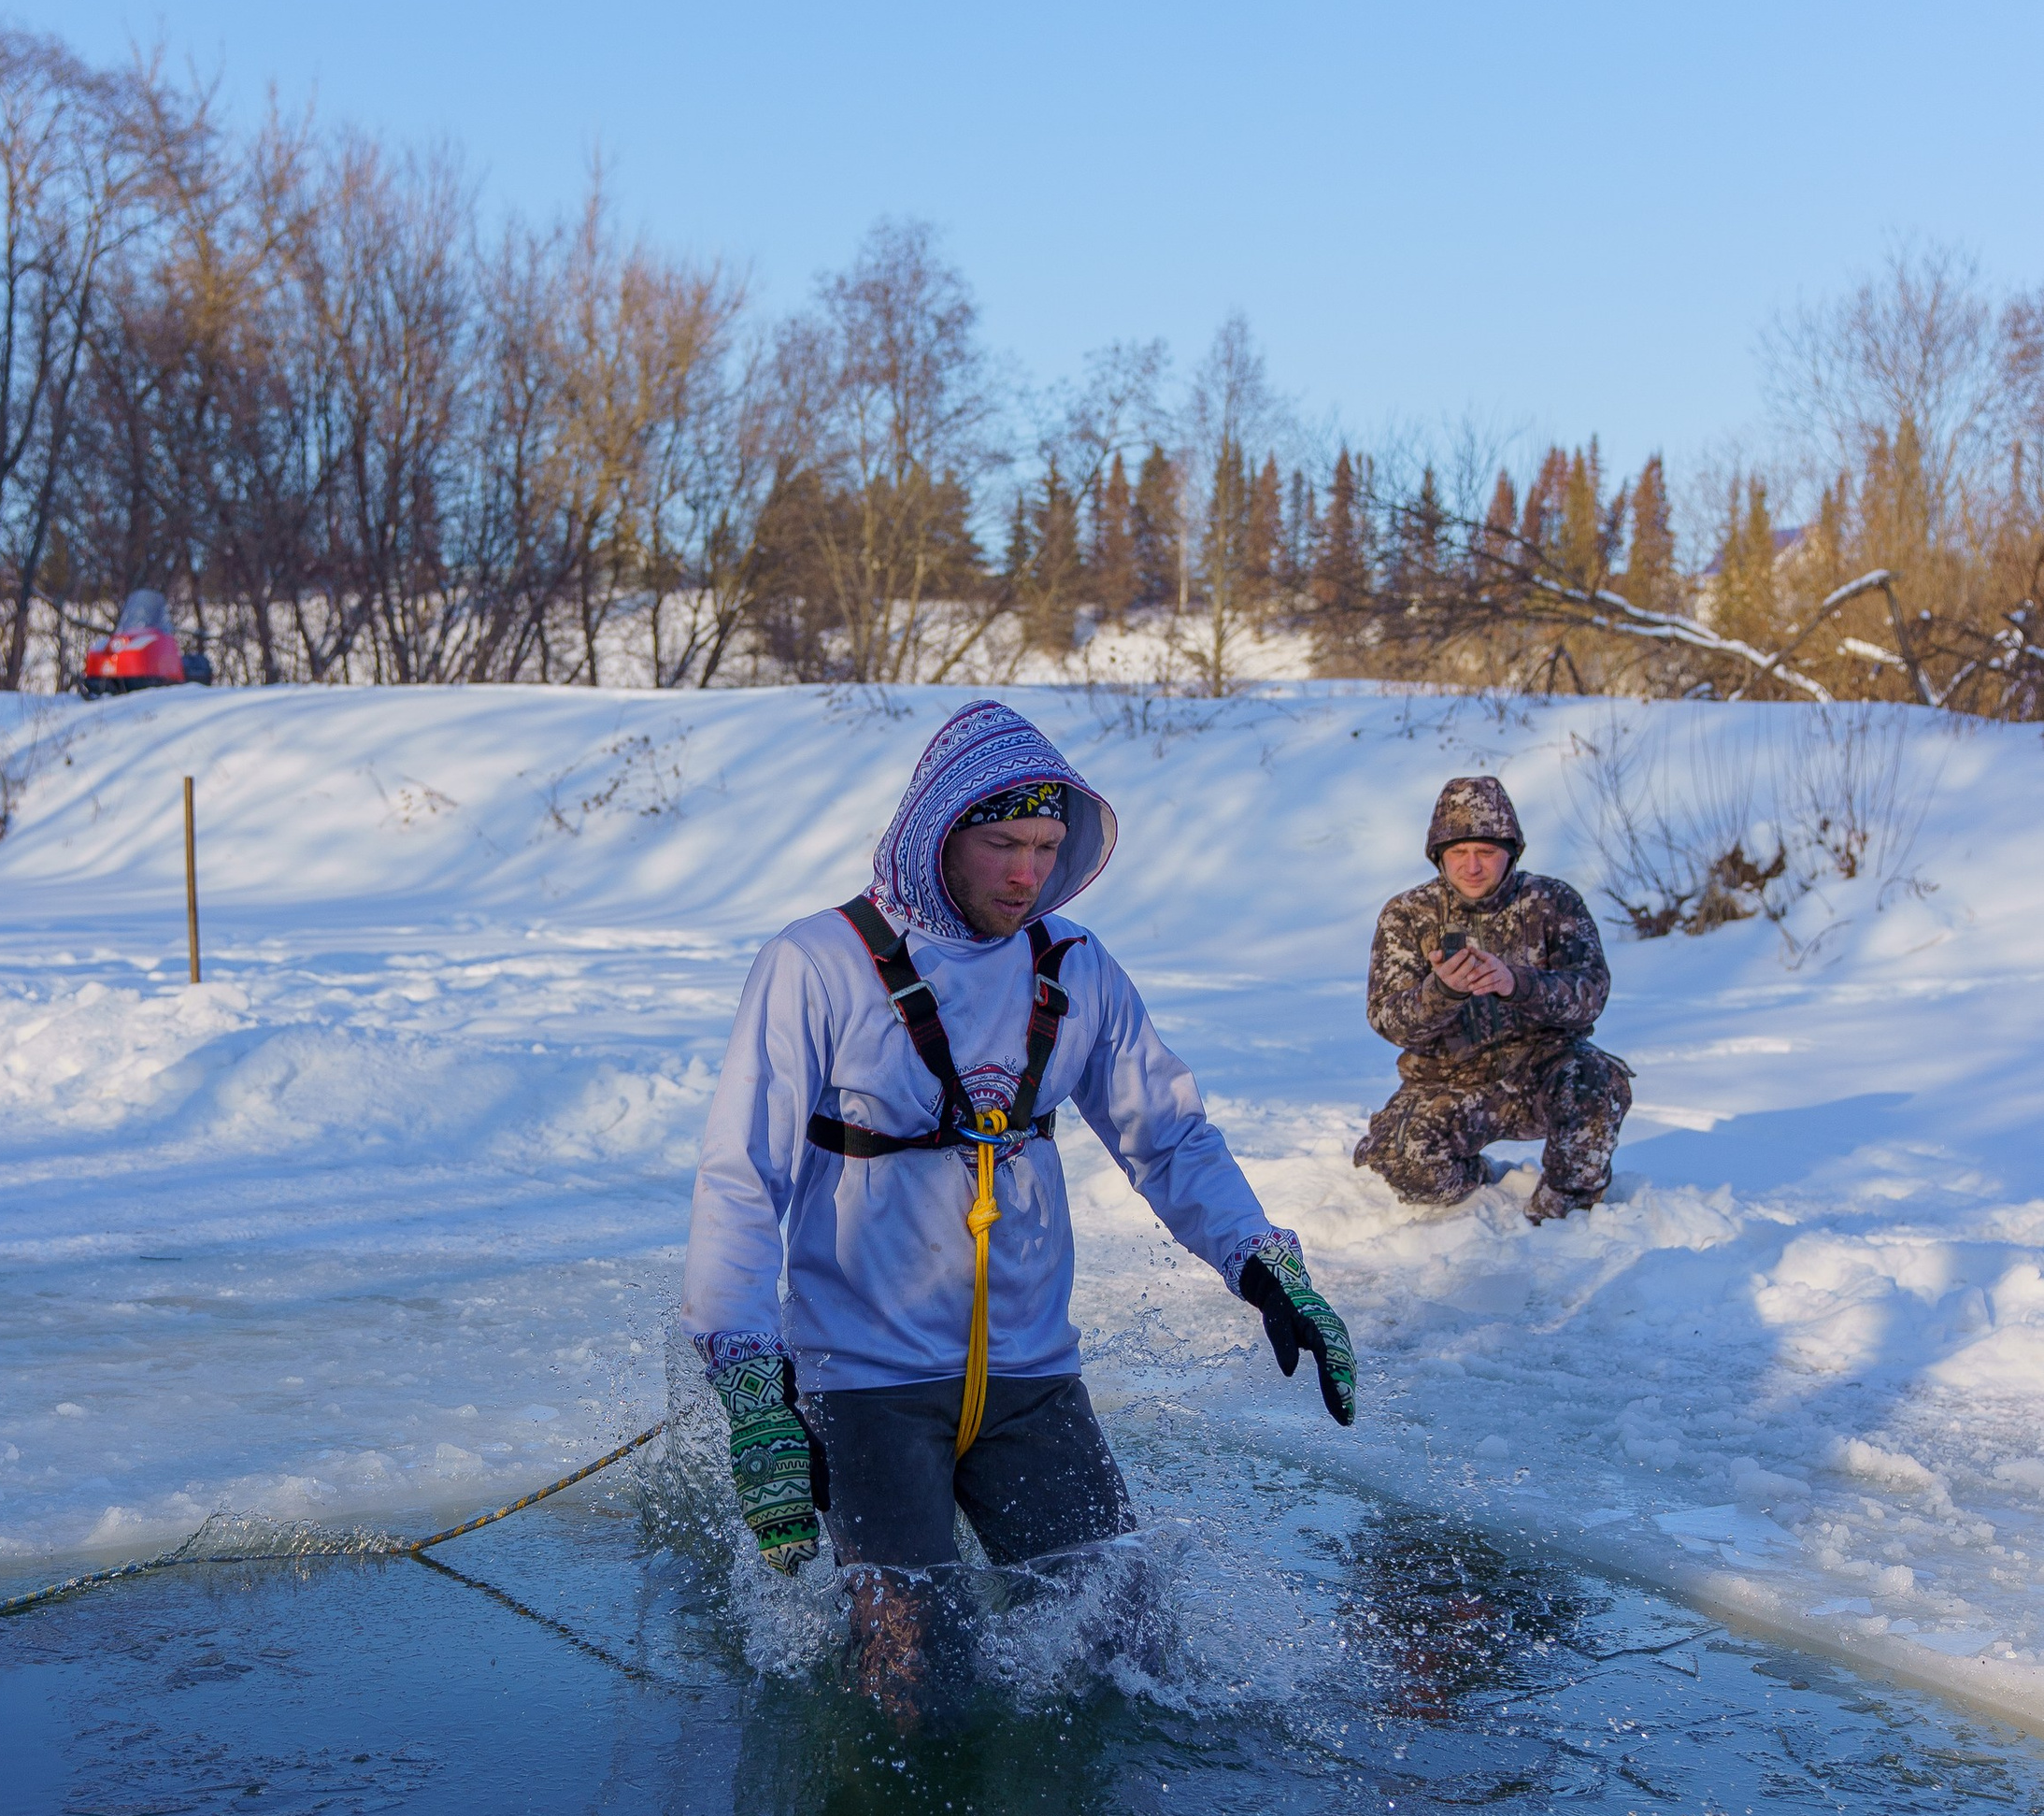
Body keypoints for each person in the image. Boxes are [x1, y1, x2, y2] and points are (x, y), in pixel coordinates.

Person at [682, 699, 1356, 1709]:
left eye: (1046, 846)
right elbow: (743, 1174)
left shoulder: (1075, 966)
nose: (1026, 874)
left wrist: (1262, 1266)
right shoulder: (816, 963)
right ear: (937, 835)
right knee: (915, 1681)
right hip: (865, 1379)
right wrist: (747, 1381)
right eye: (1002, 842)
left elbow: (1167, 1136)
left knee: (1121, 1655)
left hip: (1032, 1376)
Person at [1354, 775, 1630, 1225]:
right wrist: (1440, 993)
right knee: (1403, 1164)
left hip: (1541, 1071)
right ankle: (1478, 1178)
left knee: (1596, 1081)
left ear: (1512, 852)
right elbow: (1388, 1019)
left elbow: (1590, 995)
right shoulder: (1407, 913)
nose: (1472, 866)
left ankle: (1568, 1208)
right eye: (1458, 853)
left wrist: (1518, 984)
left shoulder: (1552, 901)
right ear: (1438, 855)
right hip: (1447, 1080)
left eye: (1485, 852)